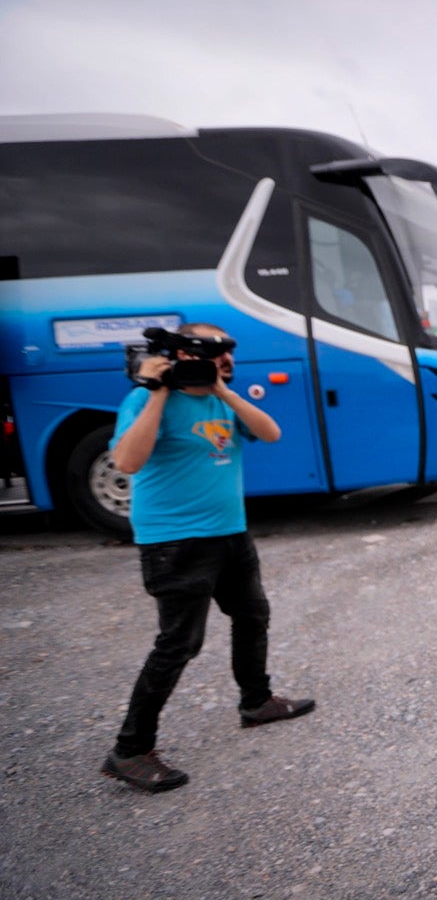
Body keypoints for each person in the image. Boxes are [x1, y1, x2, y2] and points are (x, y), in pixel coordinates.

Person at [102, 324, 314, 793]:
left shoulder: (221, 399)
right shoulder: (144, 400)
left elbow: (270, 432)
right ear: (180, 354)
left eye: (228, 353)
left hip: (230, 535)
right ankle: (130, 749)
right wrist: (158, 391)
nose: (227, 361)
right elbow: (128, 462)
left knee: (252, 615)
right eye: (216, 353)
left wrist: (220, 388)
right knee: (179, 643)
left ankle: (256, 702)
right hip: (175, 543)